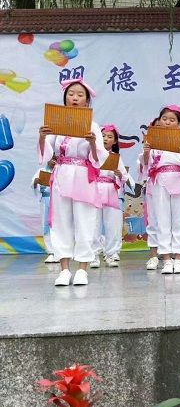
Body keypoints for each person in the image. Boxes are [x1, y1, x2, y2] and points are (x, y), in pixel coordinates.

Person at [38, 79, 109, 286]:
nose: (75, 98)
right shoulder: (57, 124)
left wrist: (93, 143)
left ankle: (82, 269)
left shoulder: (93, 126)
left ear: (86, 101)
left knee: (84, 221)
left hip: (83, 176)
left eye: (79, 95)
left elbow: (98, 159)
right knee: (61, 222)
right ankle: (64, 270)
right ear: (65, 98)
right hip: (62, 174)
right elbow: (46, 155)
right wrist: (42, 137)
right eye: (71, 94)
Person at [140, 105, 180, 274]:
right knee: (162, 220)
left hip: (178, 179)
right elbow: (146, 164)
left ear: (178, 124)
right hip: (159, 182)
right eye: (164, 119)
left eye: (172, 120)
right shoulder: (153, 139)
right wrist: (146, 152)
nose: (167, 122)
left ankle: (178, 259)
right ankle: (165, 259)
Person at [90, 125, 130, 268]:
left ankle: (111, 254)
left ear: (115, 141)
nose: (105, 139)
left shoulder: (115, 157)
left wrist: (119, 175)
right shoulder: (91, 154)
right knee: (93, 224)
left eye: (109, 137)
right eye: (103, 136)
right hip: (94, 190)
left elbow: (124, 177)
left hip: (111, 191)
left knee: (113, 224)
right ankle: (93, 255)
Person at [32, 158, 58, 263]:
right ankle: (51, 252)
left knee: (59, 225)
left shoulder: (61, 171)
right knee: (46, 226)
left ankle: (60, 252)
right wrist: (35, 183)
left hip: (58, 201)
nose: (53, 161)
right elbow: (34, 186)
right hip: (46, 200)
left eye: (55, 159)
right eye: (52, 159)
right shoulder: (41, 171)